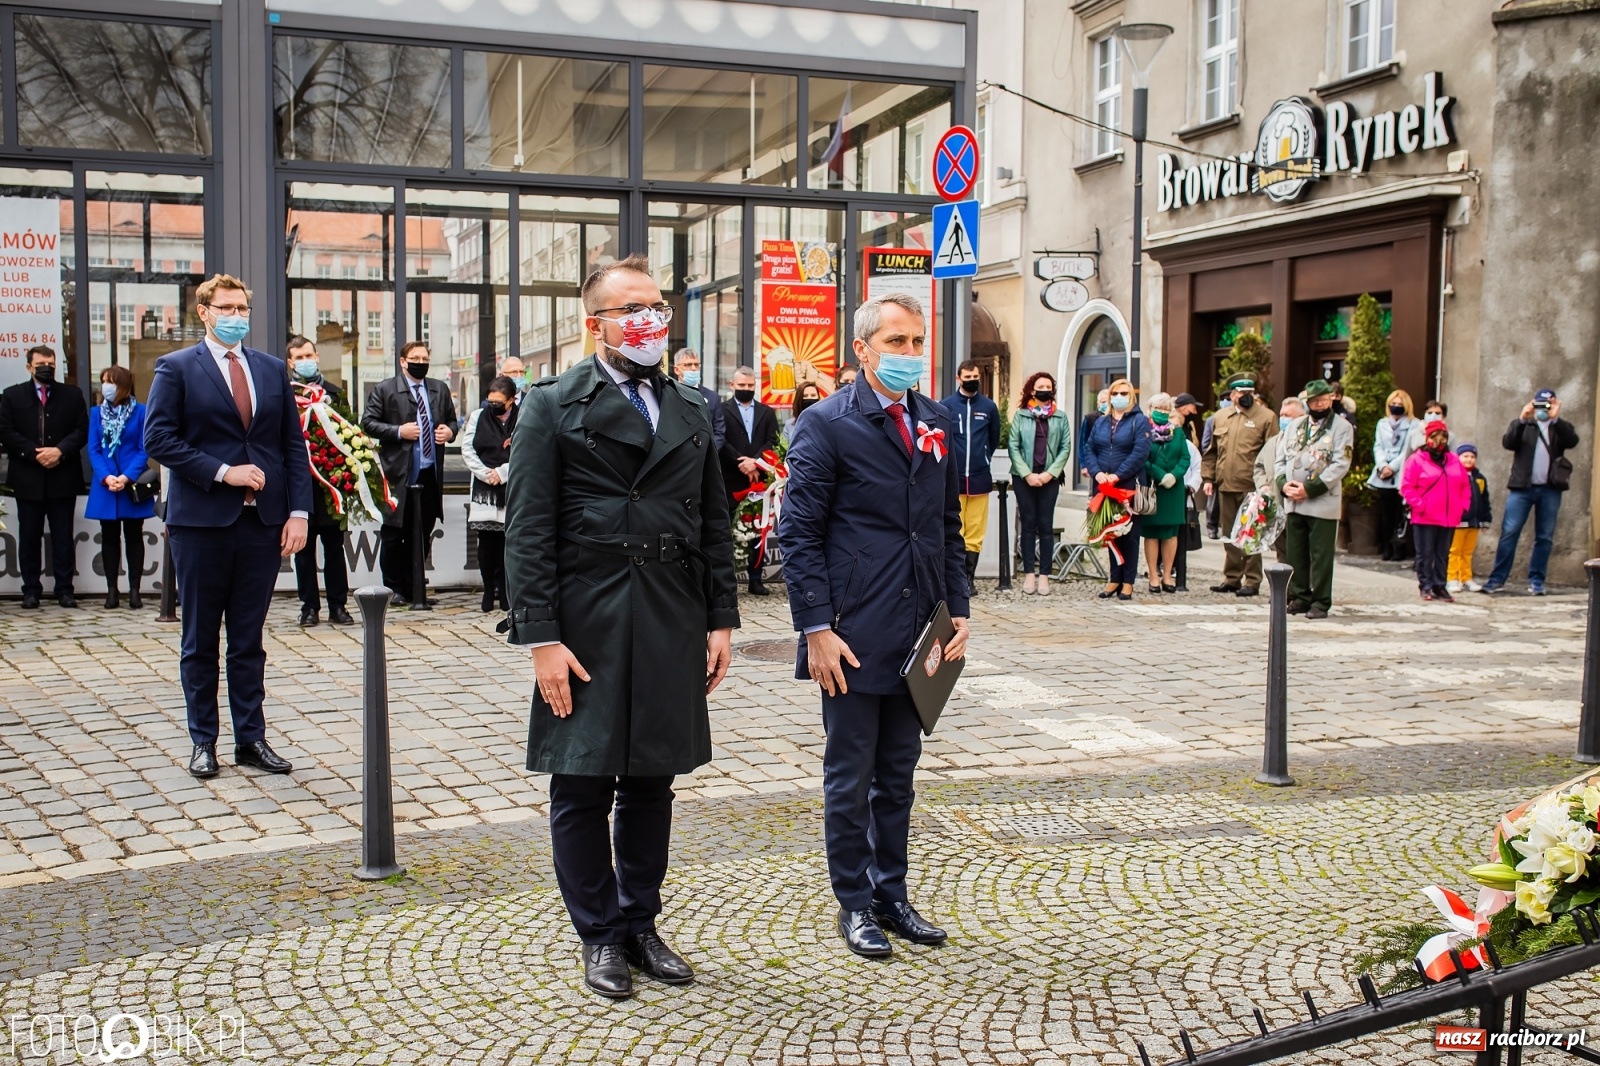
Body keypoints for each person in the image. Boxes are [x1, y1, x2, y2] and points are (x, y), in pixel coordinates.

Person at [502, 253, 738, 1000]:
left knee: (650, 784)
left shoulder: (693, 407)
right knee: (580, 783)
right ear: (593, 323)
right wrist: (542, 639)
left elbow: (712, 520)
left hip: (670, 613)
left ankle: (640, 923)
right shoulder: (551, 405)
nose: (648, 320)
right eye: (630, 309)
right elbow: (528, 530)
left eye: (656, 306)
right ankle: (599, 935)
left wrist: (722, 619)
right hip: (588, 617)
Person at [777, 292, 968, 960]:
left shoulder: (935, 418)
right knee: (850, 777)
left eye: (917, 342)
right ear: (861, 349)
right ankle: (854, 902)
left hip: (920, 630)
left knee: (900, 775)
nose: (910, 354)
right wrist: (816, 628)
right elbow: (795, 533)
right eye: (896, 342)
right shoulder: (826, 423)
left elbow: (945, 527)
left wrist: (959, 610)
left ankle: (893, 894)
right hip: (851, 634)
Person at [143, 273, 311, 780]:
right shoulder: (176, 368)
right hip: (201, 522)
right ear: (205, 311)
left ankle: (250, 739)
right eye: (227, 307)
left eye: (243, 307)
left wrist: (298, 512)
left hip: (262, 523)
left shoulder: (269, 368)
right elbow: (159, 439)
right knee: (199, 638)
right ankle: (203, 741)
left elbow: (291, 447)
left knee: (248, 638)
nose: (237, 315)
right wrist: (222, 472)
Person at [362, 341, 458, 607]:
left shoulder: (439, 388)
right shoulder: (385, 389)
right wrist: (398, 431)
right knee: (394, 534)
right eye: (415, 357)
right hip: (397, 474)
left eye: (425, 357)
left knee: (421, 532)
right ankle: (393, 589)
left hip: (429, 474)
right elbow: (367, 422)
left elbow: (452, 420)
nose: (421, 362)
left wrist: (450, 432)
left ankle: (415, 587)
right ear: (403, 361)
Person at [0, 345, 88, 608]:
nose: (46, 368)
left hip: (63, 476)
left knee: (63, 536)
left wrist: (59, 450)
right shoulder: (12, 395)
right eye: (40, 364)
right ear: (29, 367)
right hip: (28, 478)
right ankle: (31, 591)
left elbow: (82, 430)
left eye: (50, 364)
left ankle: (65, 590)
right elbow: (5, 431)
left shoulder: (73, 395)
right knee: (29, 537)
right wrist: (34, 453)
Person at [1482, 389, 1580, 595]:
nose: (1543, 410)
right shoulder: (1525, 425)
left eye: (1547, 405)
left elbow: (1572, 441)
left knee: (1544, 537)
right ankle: (1497, 578)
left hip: (1550, 489)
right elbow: (1508, 443)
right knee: (1509, 533)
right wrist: (1521, 418)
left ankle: (1536, 580)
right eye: (1540, 405)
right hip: (1522, 488)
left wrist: (1556, 418)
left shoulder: (1559, 428)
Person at [286, 335, 352, 627]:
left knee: (335, 548)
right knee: (304, 550)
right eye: (299, 357)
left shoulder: (335, 394)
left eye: (309, 355)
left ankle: (338, 605)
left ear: (317, 357)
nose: (305, 361)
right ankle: (308, 607)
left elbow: (350, 433)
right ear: (290, 362)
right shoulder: (285, 395)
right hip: (300, 485)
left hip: (331, 484)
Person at [1274, 380, 1353, 619]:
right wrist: (1283, 483)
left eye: (1323, 400)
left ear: (1331, 400)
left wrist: (1310, 488)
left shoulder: (1341, 427)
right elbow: (1281, 459)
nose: (1319, 404)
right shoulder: (1295, 425)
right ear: (1307, 402)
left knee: (1320, 555)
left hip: (1321, 501)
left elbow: (1341, 463)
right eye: (1314, 401)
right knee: (1295, 552)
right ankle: (1299, 596)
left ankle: (1320, 601)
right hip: (1294, 500)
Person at [86, 366, 154, 609]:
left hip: (131, 483)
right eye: (103, 381)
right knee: (109, 537)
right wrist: (106, 477)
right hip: (106, 485)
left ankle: (134, 590)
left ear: (123, 385)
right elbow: (94, 449)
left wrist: (126, 477)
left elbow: (144, 447)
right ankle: (112, 590)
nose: (106, 386)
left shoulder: (141, 411)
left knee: (134, 536)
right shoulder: (96, 413)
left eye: (110, 381)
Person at [1201, 377, 1277, 596]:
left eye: (1249, 392)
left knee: (1251, 534)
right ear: (1231, 395)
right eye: (1241, 392)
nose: (1245, 396)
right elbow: (1212, 452)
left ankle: (1252, 580)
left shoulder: (1266, 417)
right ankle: (1231, 577)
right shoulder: (1220, 417)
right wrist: (1208, 478)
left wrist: (1267, 485)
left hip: (1253, 487)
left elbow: (1272, 453)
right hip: (1226, 484)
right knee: (1230, 535)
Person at [1084, 378, 1152, 600]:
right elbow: (1089, 448)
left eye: (1124, 393)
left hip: (1128, 487)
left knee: (1130, 536)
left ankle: (1128, 582)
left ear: (1131, 396)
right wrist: (1097, 472)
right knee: (1110, 534)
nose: (1119, 397)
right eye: (1115, 393)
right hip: (1103, 486)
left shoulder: (1139, 421)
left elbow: (1140, 452)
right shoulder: (1102, 422)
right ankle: (1114, 579)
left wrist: (1118, 474)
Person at [1007, 372, 1071, 596]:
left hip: (1049, 478)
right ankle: (1029, 575)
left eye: (1048, 385)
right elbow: (1013, 446)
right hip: (1024, 477)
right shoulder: (1021, 416)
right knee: (1028, 525)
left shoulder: (1060, 417)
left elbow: (1065, 447)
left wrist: (1049, 474)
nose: (1044, 389)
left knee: (1046, 525)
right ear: (1032, 391)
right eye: (1040, 386)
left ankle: (1044, 575)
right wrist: (1027, 474)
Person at [942, 360, 1001, 597]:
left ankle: (969, 578)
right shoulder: (946, 406)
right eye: (967, 377)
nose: (972, 380)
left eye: (975, 376)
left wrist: (983, 458)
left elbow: (994, 439)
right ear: (958, 379)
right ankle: (951, 579)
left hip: (978, 478)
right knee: (954, 529)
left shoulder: (988, 407)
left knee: (975, 532)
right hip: (953, 480)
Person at [719, 365, 779, 595]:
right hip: (730, 479)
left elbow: (771, 441)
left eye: (750, 386)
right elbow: (721, 440)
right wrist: (741, 462)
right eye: (742, 385)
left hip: (758, 480)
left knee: (758, 529)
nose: (746, 389)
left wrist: (755, 461)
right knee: (727, 530)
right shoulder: (722, 411)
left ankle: (756, 578)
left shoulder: (767, 412)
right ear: (732, 385)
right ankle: (728, 580)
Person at [461, 375, 520, 613]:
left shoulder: (523, 416)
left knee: (509, 542)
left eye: (499, 403)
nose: (493, 407)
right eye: (490, 402)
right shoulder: (477, 417)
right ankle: (488, 589)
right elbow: (467, 449)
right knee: (486, 544)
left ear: (511, 400)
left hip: (512, 486)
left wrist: (503, 472)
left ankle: (505, 591)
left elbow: (527, 449)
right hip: (485, 490)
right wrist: (487, 474)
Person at [1401, 419, 1471, 603]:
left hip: (1449, 515)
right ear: (1427, 438)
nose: (1439, 442)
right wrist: (1420, 505)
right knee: (1425, 553)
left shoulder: (1454, 460)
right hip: (1425, 515)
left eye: (1443, 437)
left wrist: (1463, 505)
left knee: (1443, 553)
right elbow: (1407, 486)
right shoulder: (1416, 460)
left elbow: (1464, 485)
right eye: (1435, 437)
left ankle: (1440, 585)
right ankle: (1425, 585)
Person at [1142, 392, 1190, 594]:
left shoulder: (1177, 432)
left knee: (1171, 534)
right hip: (1154, 486)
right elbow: (1141, 457)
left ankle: (1168, 574)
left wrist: (1175, 475)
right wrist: (1161, 474)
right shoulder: (1144, 431)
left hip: (1174, 488)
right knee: (1152, 534)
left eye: (1165, 409)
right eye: (1158, 409)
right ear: (1150, 410)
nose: (1162, 412)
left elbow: (1185, 458)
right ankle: (1153, 575)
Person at [1367, 389, 1416, 562]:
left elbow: (1408, 450)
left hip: (1401, 472)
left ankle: (1399, 548)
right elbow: (1378, 446)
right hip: (1383, 473)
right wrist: (1382, 465)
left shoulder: (1413, 424)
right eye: (1393, 404)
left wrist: (1393, 467)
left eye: (1399, 405)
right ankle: (1386, 546)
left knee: (1399, 514)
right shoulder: (1382, 423)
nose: (1396, 407)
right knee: (1385, 514)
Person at [1448, 444, 1493, 594]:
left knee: (1467, 552)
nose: (1469, 459)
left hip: (1474, 522)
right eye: (1465, 456)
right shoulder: (1454, 475)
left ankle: (1466, 578)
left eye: (1472, 457)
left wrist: (1485, 519)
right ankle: (1452, 578)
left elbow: (1484, 500)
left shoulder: (1480, 478)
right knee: (1455, 551)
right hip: (1458, 521)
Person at [672, 347, 726, 451]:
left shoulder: (712, 397)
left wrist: (708, 453)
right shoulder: (668, 393)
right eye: (688, 365)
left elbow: (719, 432)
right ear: (676, 369)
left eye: (696, 365)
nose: (693, 368)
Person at [1078, 388, 1109, 482]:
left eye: (1109, 401)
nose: (1106, 404)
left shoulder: (1118, 418)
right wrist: (1084, 465)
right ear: (1098, 404)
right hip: (1095, 465)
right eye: (1103, 402)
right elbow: (1083, 443)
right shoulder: (1090, 418)